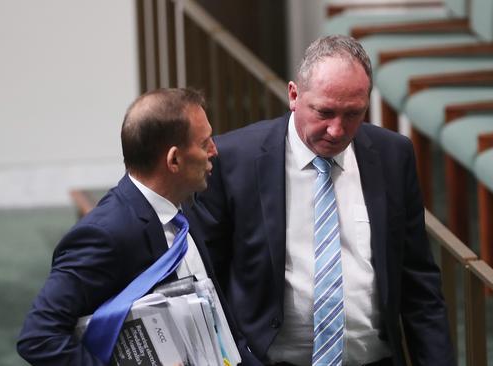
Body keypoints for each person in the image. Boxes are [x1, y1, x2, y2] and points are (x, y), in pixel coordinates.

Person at [193, 36, 455, 366]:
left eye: (353, 114)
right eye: (324, 112)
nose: (336, 130)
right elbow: (206, 280)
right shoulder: (234, 160)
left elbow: (419, 285)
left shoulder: (393, 155)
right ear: (293, 95)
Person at [17, 88, 261, 365]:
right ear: (174, 160)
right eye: (205, 143)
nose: (215, 151)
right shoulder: (104, 233)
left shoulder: (183, 212)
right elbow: (39, 336)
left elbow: (220, 324)